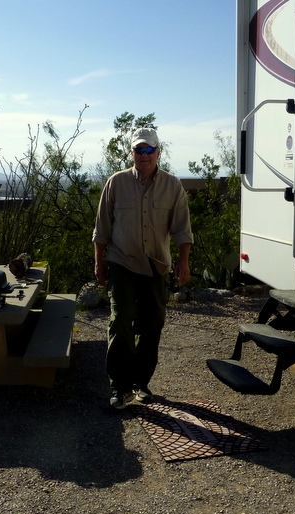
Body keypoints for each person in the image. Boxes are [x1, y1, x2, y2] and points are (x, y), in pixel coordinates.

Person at [92, 128, 193, 410]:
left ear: (159, 152)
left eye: (149, 150)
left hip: (156, 265)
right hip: (122, 262)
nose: (144, 155)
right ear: (132, 153)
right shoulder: (116, 183)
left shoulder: (172, 186)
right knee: (121, 320)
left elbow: (183, 229)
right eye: (139, 150)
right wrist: (99, 262)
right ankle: (120, 387)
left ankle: (140, 383)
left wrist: (183, 262)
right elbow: (102, 228)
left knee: (152, 325)